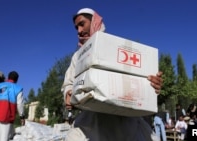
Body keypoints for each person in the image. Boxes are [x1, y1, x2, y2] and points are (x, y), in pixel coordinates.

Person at [61, 8, 163, 141]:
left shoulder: (115, 48)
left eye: (82, 24)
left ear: (94, 22)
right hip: (93, 126)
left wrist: (152, 85)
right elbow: (68, 84)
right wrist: (69, 93)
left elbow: (141, 79)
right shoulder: (78, 57)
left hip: (127, 125)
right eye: (76, 28)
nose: (79, 31)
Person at [0, 71, 25, 141]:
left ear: (7, 77)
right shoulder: (17, 88)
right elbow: (20, 104)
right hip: (5, 118)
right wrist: (22, 117)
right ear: (17, 80)